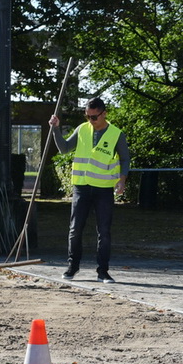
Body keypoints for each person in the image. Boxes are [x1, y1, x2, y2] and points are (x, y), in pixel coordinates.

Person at [50, 98, 130, 283]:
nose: (90, 120)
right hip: (81, 187)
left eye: (94, 117)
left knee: (104, 232)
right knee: (75, 229)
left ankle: (103, 271)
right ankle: (72, 267)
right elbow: (64, 149)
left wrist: (122, 181)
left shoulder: (116, 134)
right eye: (87, 116)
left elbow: (125, 159)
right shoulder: (82, 129)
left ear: (104, 114)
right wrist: (55, 128)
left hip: (103, 189)